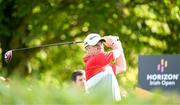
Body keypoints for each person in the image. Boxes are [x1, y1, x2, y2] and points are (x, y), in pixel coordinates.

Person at [83, 33, 126, 101]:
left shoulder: (103, 66)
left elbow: (121, 67)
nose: (100, 46)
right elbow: (118, 51)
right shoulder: (94, 60)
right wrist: (114, 42)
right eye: (96, 45)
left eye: (101, 43)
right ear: (87, 49)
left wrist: (117, 42)